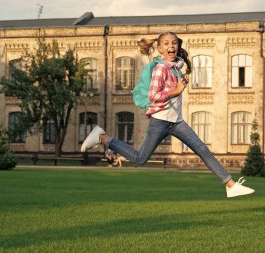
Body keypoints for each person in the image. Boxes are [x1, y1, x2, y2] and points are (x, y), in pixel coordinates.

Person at [81, 32, 254, 198]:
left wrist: (180, 82)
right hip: (161, 121)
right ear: (160, 49)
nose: (171, 46)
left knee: (203, 149)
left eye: (174, 43)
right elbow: (153, 95)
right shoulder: (161, 68)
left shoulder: (175, 68)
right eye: (166, 44)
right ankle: (103, 138)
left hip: (176, 122)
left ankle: (230, 186)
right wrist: (176, 90)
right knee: (139, 158)